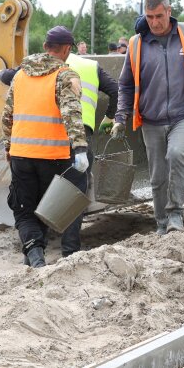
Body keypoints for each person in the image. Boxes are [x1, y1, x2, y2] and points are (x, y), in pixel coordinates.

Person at [111, 0, 184, 235]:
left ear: (169, 12)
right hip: (151, 119)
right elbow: (125, 84)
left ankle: (175, 215)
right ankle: (161, 222)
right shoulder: (136, 44)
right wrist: (120, 117)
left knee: (177, 153)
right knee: (157, 176)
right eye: (149, 17)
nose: (155, 22)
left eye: (159, 16)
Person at [1, 26, 89, 268]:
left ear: (45, 47)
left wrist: (8, 147)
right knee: (52, 207)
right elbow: (72, 114)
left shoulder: (19, 76)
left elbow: (7, 116)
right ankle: (63, 253)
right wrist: (80, 149)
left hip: (21, 156)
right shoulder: (65, 75)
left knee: (24, 209)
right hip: (54, 156)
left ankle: (36, 256)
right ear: (67, 49)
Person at [59, 51, 119, 255]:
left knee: (46, 185)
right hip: (81, 136)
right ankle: (69, 249)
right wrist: (110, 117)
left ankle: (36, 245)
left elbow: (7, 77)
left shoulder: (43, 63)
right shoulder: (91, 67)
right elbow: (116, 90)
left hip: (48, 134)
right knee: (75, 190)